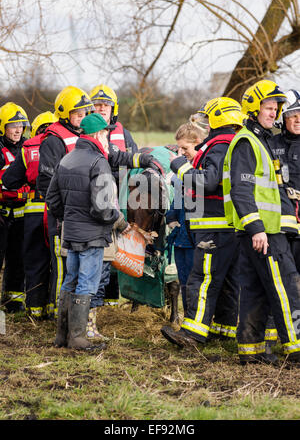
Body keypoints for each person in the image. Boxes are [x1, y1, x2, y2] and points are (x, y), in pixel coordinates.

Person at [46, 113, 160, 350]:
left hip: (71, 233)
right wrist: (120, 223)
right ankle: (78, 338)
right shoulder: (99, 163)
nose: (108, 138)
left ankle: (62, 336)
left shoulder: (66, 160)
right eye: (106, 133)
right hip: (94, 236)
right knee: (87, 283)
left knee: (69, 281)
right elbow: (103, 208)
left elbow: (52, 199)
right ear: (99, 135)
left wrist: (69, 219)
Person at [223, 79, 300, 365]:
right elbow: (241, 189)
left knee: (255, 290)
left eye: (276, 108)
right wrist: (256, 228)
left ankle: (251, 350)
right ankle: (296, 346)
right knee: (286, 286)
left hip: (264, 229)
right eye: (269, 108)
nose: (274, 113)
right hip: (263, 231)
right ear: (254, 110)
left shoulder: (261, 140)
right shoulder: (247, 141)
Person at [161, 97, 245, 348]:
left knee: (203, 278)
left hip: (214, 225)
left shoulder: (219, 144)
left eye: (208, 119)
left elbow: (208, 181)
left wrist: (180, 166)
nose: (205, 124)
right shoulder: (235, 142)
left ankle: (192, 334)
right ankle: (223, 330)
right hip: (228, 225)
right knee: (227, 280)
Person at [36, 86, 95, 319]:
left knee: (75, 267)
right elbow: (46, 180)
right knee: (62, 267)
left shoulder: (82, 137)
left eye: (84, 114)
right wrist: (62, 211)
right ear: (64, 114)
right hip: (61, 214)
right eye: (77, 114)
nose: (82, 118)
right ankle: (58, 315)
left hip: (79, 215)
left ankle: (67, 312)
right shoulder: (54, 140)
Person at [2, 111, 57, 319]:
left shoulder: (29, 147)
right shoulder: (67, 144)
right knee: (58, 263)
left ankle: (34, 310)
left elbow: (9, 180)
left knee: (34, 262)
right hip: (57, 211)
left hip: (33, 212)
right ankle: (55, 310)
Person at [89, 84, 138, 308]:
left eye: (105, 105)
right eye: (97, 105)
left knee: (118, 250)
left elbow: (134, 162)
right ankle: (97, 301)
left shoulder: (124, 134)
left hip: (120, 198)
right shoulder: (86, 131)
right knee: (102, 251)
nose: (101, 109)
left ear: (113, 109)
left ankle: (111, 300)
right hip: (98, 199)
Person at [165, 123, 206, 313]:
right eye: (179, 148)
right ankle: (188, 320)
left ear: (198, 143)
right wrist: (171, 217)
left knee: (194, 281)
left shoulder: (203, 168)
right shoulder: (185, 168)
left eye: (185, 148)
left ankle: (195, 322)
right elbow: (181, 197)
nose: (181, 152)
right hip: (181, 235)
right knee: (184, 280)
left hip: (195, 237)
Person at [0, 102, 30, 312]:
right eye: (13, 125)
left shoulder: (28, 147)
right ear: (3, 127)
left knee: (17, 260)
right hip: (1, 215)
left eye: (21, 125)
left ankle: (13, 302)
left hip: (21, 216)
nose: (18, 129)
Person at [270, 89, 300, 270]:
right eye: (292, 115)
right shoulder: (271, 144)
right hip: (280, 225)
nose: (298, 119)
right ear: (282, 118)